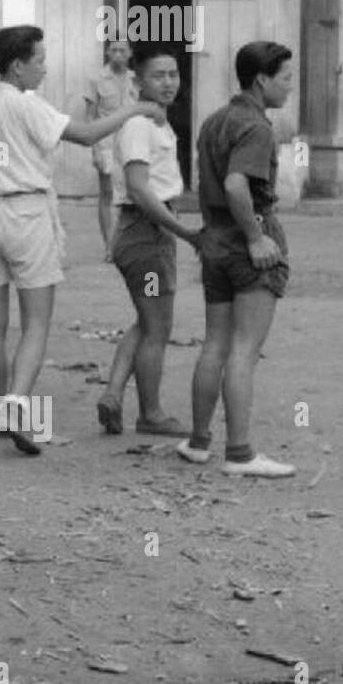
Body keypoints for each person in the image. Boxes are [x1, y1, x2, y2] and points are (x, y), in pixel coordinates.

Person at [0, 25, 164, 456]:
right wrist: (134, 110)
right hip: (26, 212)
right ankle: (16, 404)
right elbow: (87, 134)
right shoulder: (26, 104)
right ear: (17, 65)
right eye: (39, 59)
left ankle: (0, 408)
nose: (45, 67)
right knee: (35, 321)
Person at [180, 42, 297, 478]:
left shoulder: (213, 121)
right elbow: (235, 185)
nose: (289, 87)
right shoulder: (256, 127)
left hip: (214, 244)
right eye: (285, 78)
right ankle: (240, 453)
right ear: (261, 79)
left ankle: (198, 442)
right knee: (244, 352)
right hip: (247, 245)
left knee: (215, 344)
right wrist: (256, 238)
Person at [96, 45, 203, 437]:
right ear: (138, 81)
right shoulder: (140, 125)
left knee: (147, 319)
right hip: (146, 235)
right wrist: (186, 233)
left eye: (173, 74)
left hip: (145, 234)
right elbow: (141, 190)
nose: (168, 82)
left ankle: (112, 393)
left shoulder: (156, 122)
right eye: (158, 76)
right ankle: (151, 414)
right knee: (158, 327)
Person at [84, 40, 139, 261]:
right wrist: (95, 149)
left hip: (132, 141)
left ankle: (127, 243)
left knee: (133, 192)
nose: (117, 54)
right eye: (113, 50)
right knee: (107, 194)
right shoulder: (96, 79)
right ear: (107, 52)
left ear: (130, 53)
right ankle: (109, 247)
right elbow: (90, 116)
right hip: (106, 142)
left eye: (122, 50)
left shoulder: (137, 79)